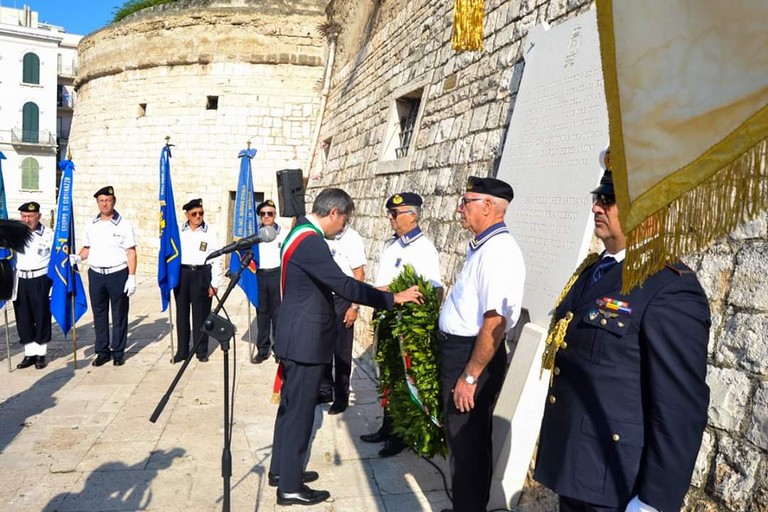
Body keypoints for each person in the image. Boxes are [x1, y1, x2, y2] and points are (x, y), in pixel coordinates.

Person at [533, 167, 710, 512]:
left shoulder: (670, 287)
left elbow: (679, 408)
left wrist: (653, 501)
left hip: (615, 481)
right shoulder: (595, 269)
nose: (597, 207)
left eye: (610, 200)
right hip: (576, 462)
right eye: (598, 197)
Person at [268, 188, 422, 506]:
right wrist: (393, 298)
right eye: (344, 222)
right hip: (305, 341)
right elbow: (344, 284)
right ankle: (291, 487)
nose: (342, 229)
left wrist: (378, 290)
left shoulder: (298, 232)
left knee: (290, 408)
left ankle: (282, 471)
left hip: (295, 335)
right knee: (299, 413)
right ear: (334, 212)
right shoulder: (311, 241)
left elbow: (335, 283)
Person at [437, 176, 525, 512]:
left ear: (488, 206)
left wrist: (471, 376)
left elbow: (495, 322)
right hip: (462, 352)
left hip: (473, 356)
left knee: (469, 443)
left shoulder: (500, 252)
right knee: (462, 441)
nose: (460, 208)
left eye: (466, 201)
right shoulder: (483, 246)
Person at [360, 192, 443, 457]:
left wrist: (388, 292)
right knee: (387, 374)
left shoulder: (424, 249)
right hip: (386, 319)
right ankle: (388, 425)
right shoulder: (392, 245)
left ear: (412, 215)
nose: (390, 218)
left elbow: (433, 289)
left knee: (402, 377)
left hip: (404, 323)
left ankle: (401, 434)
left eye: (395, 214)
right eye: (389, 213)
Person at [73, 186, 137, 367]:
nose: (104, 203)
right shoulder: (91, 224)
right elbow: (87, 249)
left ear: (113, 201)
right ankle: (102, 351)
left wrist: (131, 276)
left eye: (107, 200)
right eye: (101, 200)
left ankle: (118, 351)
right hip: (96, 274)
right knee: (99, 314)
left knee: (119, 314)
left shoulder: (124, 224)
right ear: (97, 203)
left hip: (117, 273)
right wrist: (78, 257)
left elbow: (131, 252)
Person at [319, 223, 367, 414]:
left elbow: (359, 274)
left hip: (342, 299)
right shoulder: (323, 236)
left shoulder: (352, 238)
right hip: (323, 297)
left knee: (341, 350)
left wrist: (354, 306)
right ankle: (324, 390)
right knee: (321, 345)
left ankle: (341, 396)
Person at [173, 198, 222, 363]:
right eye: (194, 214)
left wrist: (215, 283)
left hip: (202, 273)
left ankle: (201, 350)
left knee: (201, 315)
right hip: (182, 273)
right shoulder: (178, 230)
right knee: (182, 314)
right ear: (187, 214)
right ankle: (182, 350)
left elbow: (216, 257)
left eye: (200, 213)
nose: (198, 216)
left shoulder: (209, 231)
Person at [13, 202, 54, 370]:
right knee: (23, 316)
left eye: (30, 216)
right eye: (23, 216)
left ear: (39, 216)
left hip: (40, 278)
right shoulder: (15, 234)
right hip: (21, 278)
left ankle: (40, 354)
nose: (26, 219)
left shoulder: (49, 235)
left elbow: (56, 257)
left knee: (41, 315)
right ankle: (29, 353)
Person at [252, 199, 288, 364]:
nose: (266, 216)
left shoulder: (284, 233)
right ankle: (262, 349)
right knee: (262, 314)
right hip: (260, 275)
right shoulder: (255, 234)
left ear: (275, 215)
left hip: (277, 275)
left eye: (270, 213)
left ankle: (279, 350)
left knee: (279, 315)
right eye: (263, 214)